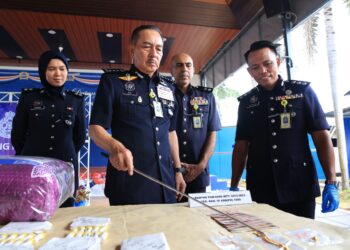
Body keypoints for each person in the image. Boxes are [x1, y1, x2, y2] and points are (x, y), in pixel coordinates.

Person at [230, 40, 339, 219]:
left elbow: (321, 138)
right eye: (255, 67)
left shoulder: (302, 92)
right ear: (250, 72)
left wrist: (331, 181)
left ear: (278, 63)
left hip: (298, 184)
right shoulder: (246, 103)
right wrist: (234, 186)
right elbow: (241, 147)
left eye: (268, 64)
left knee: (302, 241)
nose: (263, 71)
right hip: (260, 187)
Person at [89, 25, 186, 205]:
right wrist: (115, 147)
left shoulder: (169, 88)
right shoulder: (113, 83)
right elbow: (95, 128)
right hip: (129, 183)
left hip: (165, 183)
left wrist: (178, 170)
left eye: (159, 49)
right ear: (132, 49)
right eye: (146, 46)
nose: (154, 53)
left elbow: (171, 132)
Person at [11, 50, 86, 207]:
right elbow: (17, 134)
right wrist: (29, 156)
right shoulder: (29, 98)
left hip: (65, 167)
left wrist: (66, 151)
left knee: (65, 212)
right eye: (51, 69)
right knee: (32, 209)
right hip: (34, 166)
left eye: (62, 68)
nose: (57, 73)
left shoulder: (75, 100)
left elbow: (79, 137)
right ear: (43, 71)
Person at [171, 53, 221, 198]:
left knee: (197, 217)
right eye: (179, 65)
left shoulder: (207, 97)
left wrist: (201, 165)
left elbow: (212, 132)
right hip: (169, 173)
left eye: (188, 65)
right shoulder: (163, 94)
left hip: (198, 173)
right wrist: (176, 168)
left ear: (193, 70)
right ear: (171, 71)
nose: (184, 69)